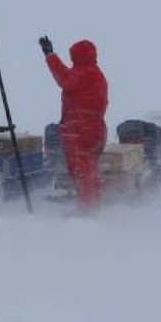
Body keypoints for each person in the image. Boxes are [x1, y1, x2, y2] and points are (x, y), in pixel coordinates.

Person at [39, 36, 108, 211]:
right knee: (90, 169)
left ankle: (87, 210)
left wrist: (50, 55)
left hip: (81, 129)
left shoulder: (83, 73)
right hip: (94, 128)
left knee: (81, 170)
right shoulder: (96, 73)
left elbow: (64, 79)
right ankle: (93, 204)